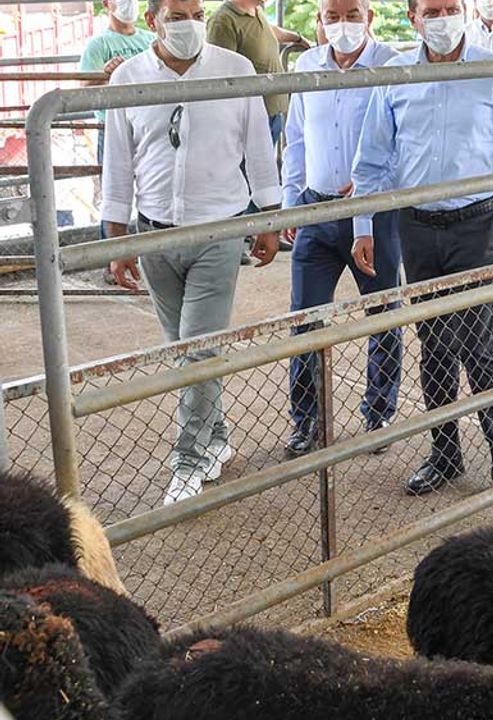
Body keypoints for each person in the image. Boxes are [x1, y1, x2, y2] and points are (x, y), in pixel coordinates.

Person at [350, 0, 493, 496]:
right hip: (416, 224)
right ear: (413, 18)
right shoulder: (396, 75)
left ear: (466, 12)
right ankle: (445, 453)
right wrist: (363, 225)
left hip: (477, 222)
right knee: (432, 342)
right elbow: (372, 158)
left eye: (451, 7)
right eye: (431, 10)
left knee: (476, 339)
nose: (442, 18)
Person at [101, 0, 281, 506]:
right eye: (177, 15)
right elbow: (118, 159)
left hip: (218, 229)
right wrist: (118, 237)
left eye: (196, 13)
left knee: (199, 349)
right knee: (184, 349)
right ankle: (216, 436)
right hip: (154, 234)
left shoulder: (235, 70)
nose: (189, 24)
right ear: (153, 20)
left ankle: (188, 459)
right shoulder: (130, 78)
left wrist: (269, 216)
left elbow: (258, 146)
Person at [280, 0, 403, 458]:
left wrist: (375, 184)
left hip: (375, 214)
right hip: (315, 210)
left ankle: (379, 413)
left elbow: (405, 138)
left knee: (383, 313)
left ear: (370, 17)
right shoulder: (307, 66)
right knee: (305, 319)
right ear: (319, 21)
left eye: (352, 14)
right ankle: (307, 420)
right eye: (332, 17)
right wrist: (291, 205)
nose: (342, 25)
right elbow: (296, 139)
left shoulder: (392, 65)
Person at [81, 0, 157, 284]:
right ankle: (112, 257)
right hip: (113, 127)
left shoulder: (150, 39)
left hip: (149, 125)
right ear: (107, 4)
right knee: (114, 189)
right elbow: (84, 89)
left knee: (152, 186)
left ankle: (152, 252)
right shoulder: (99, 45)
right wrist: (106, 75)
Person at [205, 0, 308, 147]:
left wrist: (297, 38)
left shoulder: (256, 11)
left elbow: (267, 32)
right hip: (249, 120)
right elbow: (220, 75)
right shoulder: (223, 21)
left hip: (272, 112)